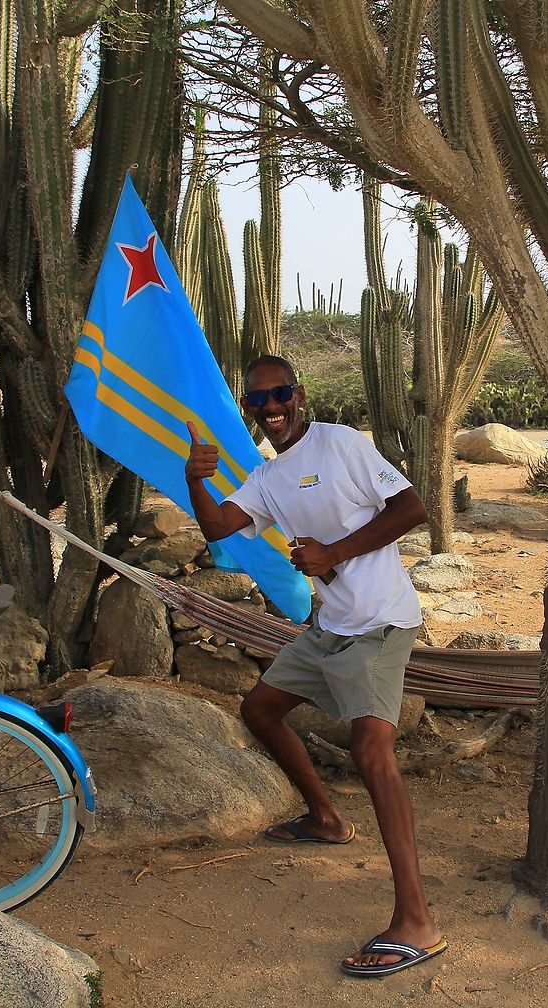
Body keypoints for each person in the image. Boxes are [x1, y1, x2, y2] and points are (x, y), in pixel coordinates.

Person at [184, 354, 446, 979]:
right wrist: (195, 479)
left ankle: (417, 920)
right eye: (257, 402)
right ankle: (326, 818)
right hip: (328, 627)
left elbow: (413, 508)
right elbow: (220, 524)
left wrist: (335, 550)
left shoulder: (342, 445)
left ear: (298, 395)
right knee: (260, 709)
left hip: (379, 621)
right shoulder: (270, 478)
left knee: (372, 750)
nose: (270, 408)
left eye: (278, 395)